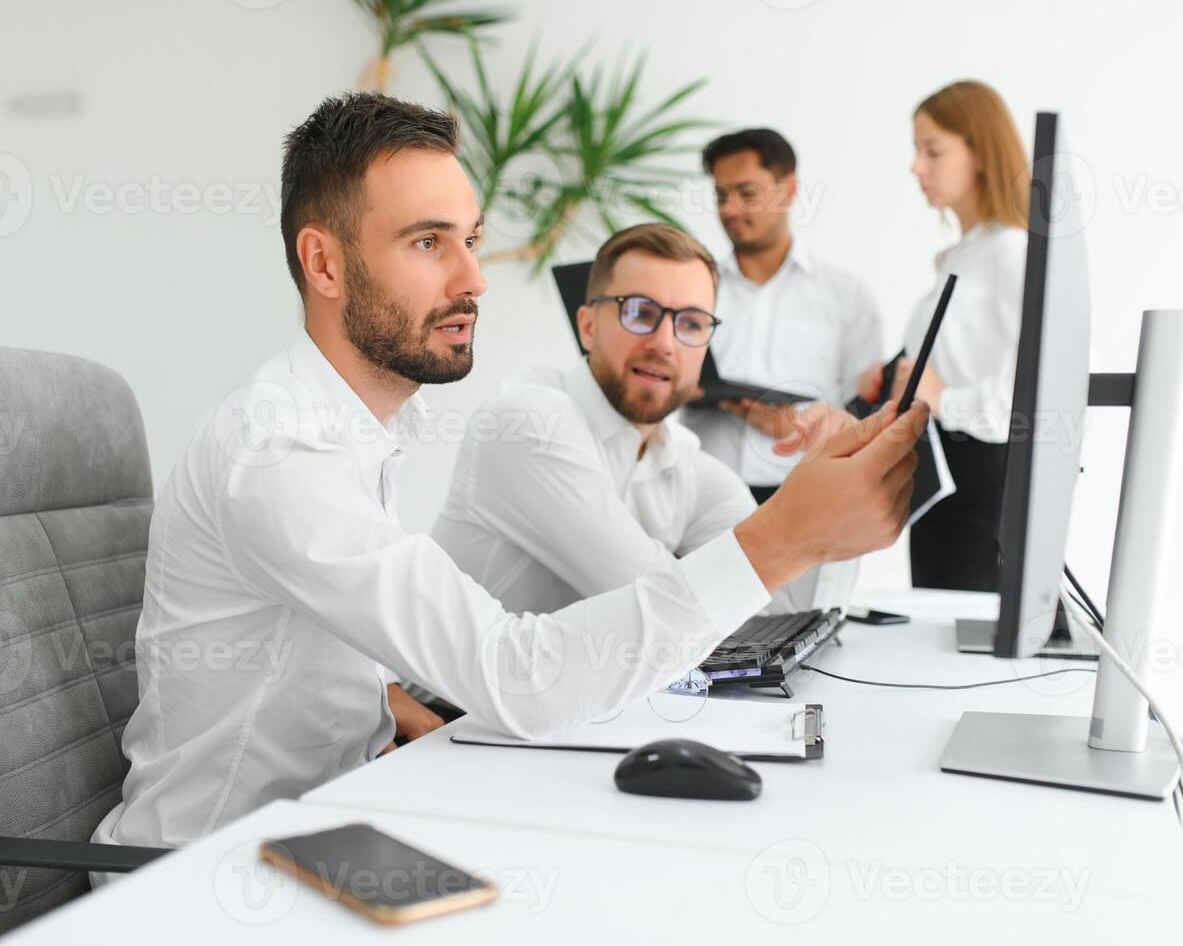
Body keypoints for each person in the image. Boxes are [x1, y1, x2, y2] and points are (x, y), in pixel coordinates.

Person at [91, 93, 927, 861]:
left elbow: (299, 658)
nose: (474, 279)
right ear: (325, 264)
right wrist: (781, 536)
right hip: (201, 880)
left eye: (471, 240)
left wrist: (384, 707)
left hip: (333, 825)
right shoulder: (278, 449)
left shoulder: (353, 433)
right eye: (428, 242)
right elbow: (519, 675)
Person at [433, 223, 839, 616]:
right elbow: (662, 607)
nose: (664, 343)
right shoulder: (527, 424)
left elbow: (782, 612)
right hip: (436, 690)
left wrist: (837, 473)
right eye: (641, 313)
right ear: (588, 327)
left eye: (691, 324)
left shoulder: (686, 465)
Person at [856, 80, 1030, 592]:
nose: (916, 167)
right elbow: (953, 357)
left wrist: (943, 400)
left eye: (933, 150)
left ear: (981, 151)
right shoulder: (965, 255)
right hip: (939, 488)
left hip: (980, 494)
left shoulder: (1011, 253)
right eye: (916, 151)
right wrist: (894, 374)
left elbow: (1049, 386)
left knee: (967, 655)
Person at [682, 128, 883, 505]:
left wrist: (803, 423)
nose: (729, 209)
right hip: (699, 495)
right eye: (720, 195)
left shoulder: (846, 295)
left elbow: (868, 414)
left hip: (807, 496)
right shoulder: (692, 289)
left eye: (747, 193)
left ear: (789, 189)